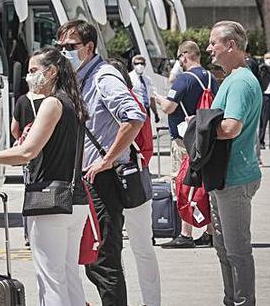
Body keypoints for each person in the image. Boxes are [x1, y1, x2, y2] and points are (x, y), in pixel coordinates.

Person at [0, 49, 87, 306]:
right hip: (75, 200)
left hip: (50, 201)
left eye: (34, 71)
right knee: (69, 275)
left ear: (52, 72)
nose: (29, 77)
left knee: (51, 279)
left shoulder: (52, 103)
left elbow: (27, 151)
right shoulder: (73, 103)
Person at [56, 20, 145, 306]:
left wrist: (106, 160)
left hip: (103, 181)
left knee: (104, 262)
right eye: (60, 47)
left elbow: (134, 116)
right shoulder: (78, 77)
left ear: (89, 47)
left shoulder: (102, 77)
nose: (64, 52)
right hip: (86, 179)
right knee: (92, 260)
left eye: (70, 47)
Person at [205, 21, 263, 306]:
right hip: (225, 175)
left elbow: (230, 128)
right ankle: (232, 299)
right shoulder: (233, 77)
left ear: (231, 45)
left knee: (237, 249)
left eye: (213, 42)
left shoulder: (239, 81)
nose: (209, 48)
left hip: (235, 176)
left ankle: (242, 301)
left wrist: (197, 129)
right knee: (224, 248)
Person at [109, 58, 162, 306]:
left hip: (129, 180)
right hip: (129, 180)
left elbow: (146, 148)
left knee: (137, 246)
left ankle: (149, 301)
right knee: (133, 248)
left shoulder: (133, 104)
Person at [152, 40, 214, 249]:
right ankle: (210, 231)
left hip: (184, 141)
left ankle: (185, 234)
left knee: (183, 183)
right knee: (204, 185)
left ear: (184, 56)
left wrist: (158, 99)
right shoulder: (211, 78)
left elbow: (169, 107)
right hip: (205, 139)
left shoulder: (182, 81)